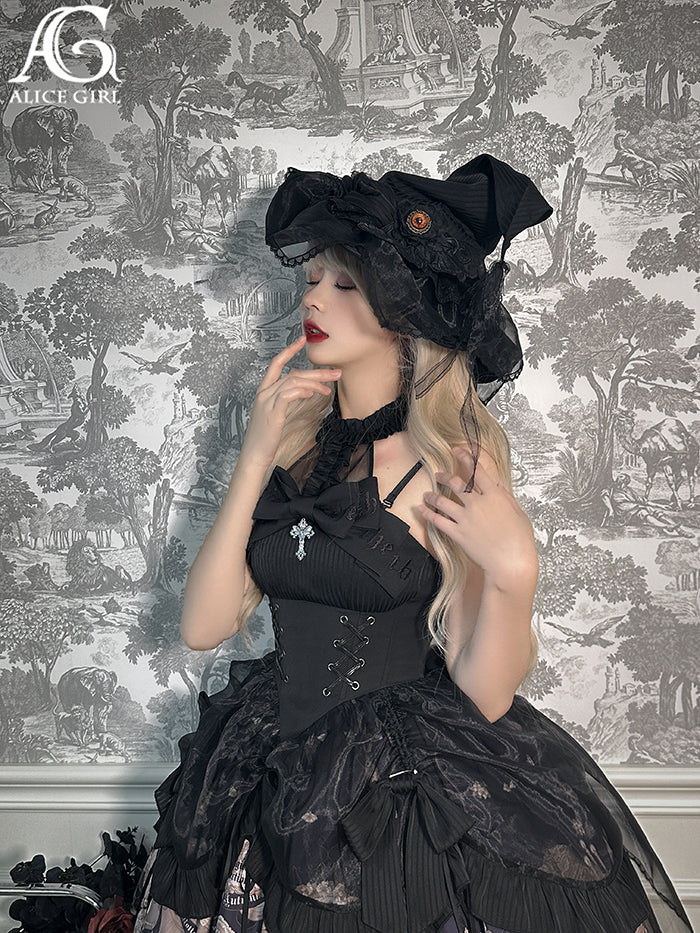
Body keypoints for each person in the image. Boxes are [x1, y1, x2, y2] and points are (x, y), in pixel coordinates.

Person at [132, 155, 693, 933]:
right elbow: (202, 626)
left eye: (345, 283)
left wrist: (516, 573)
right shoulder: (295, 448)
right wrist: (255, 455)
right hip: (264, 762)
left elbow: (483, 693)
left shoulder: (450, 464)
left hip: (395, 787)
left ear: (402, 309)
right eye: (313, 279)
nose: (314, 298)